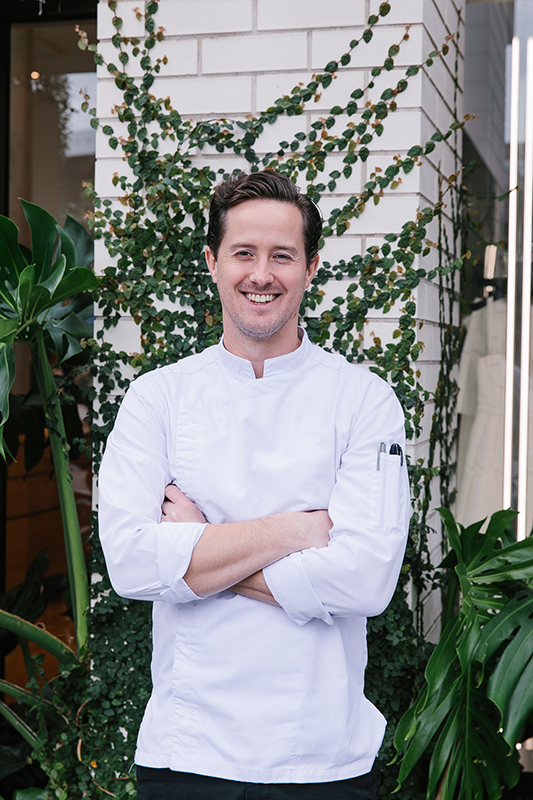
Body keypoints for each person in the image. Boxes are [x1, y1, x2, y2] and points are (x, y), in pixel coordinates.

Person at [98, 170, 411, 800]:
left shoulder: (363, 400)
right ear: (213, 262)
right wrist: (297, 529)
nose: (260, 274)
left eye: (282, 256)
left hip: (322, 761)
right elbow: (132, 564)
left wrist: (197, 547)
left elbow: (366, 579)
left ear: (311, 268)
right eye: (243, 253)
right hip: (188, 756)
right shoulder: (157, 398)